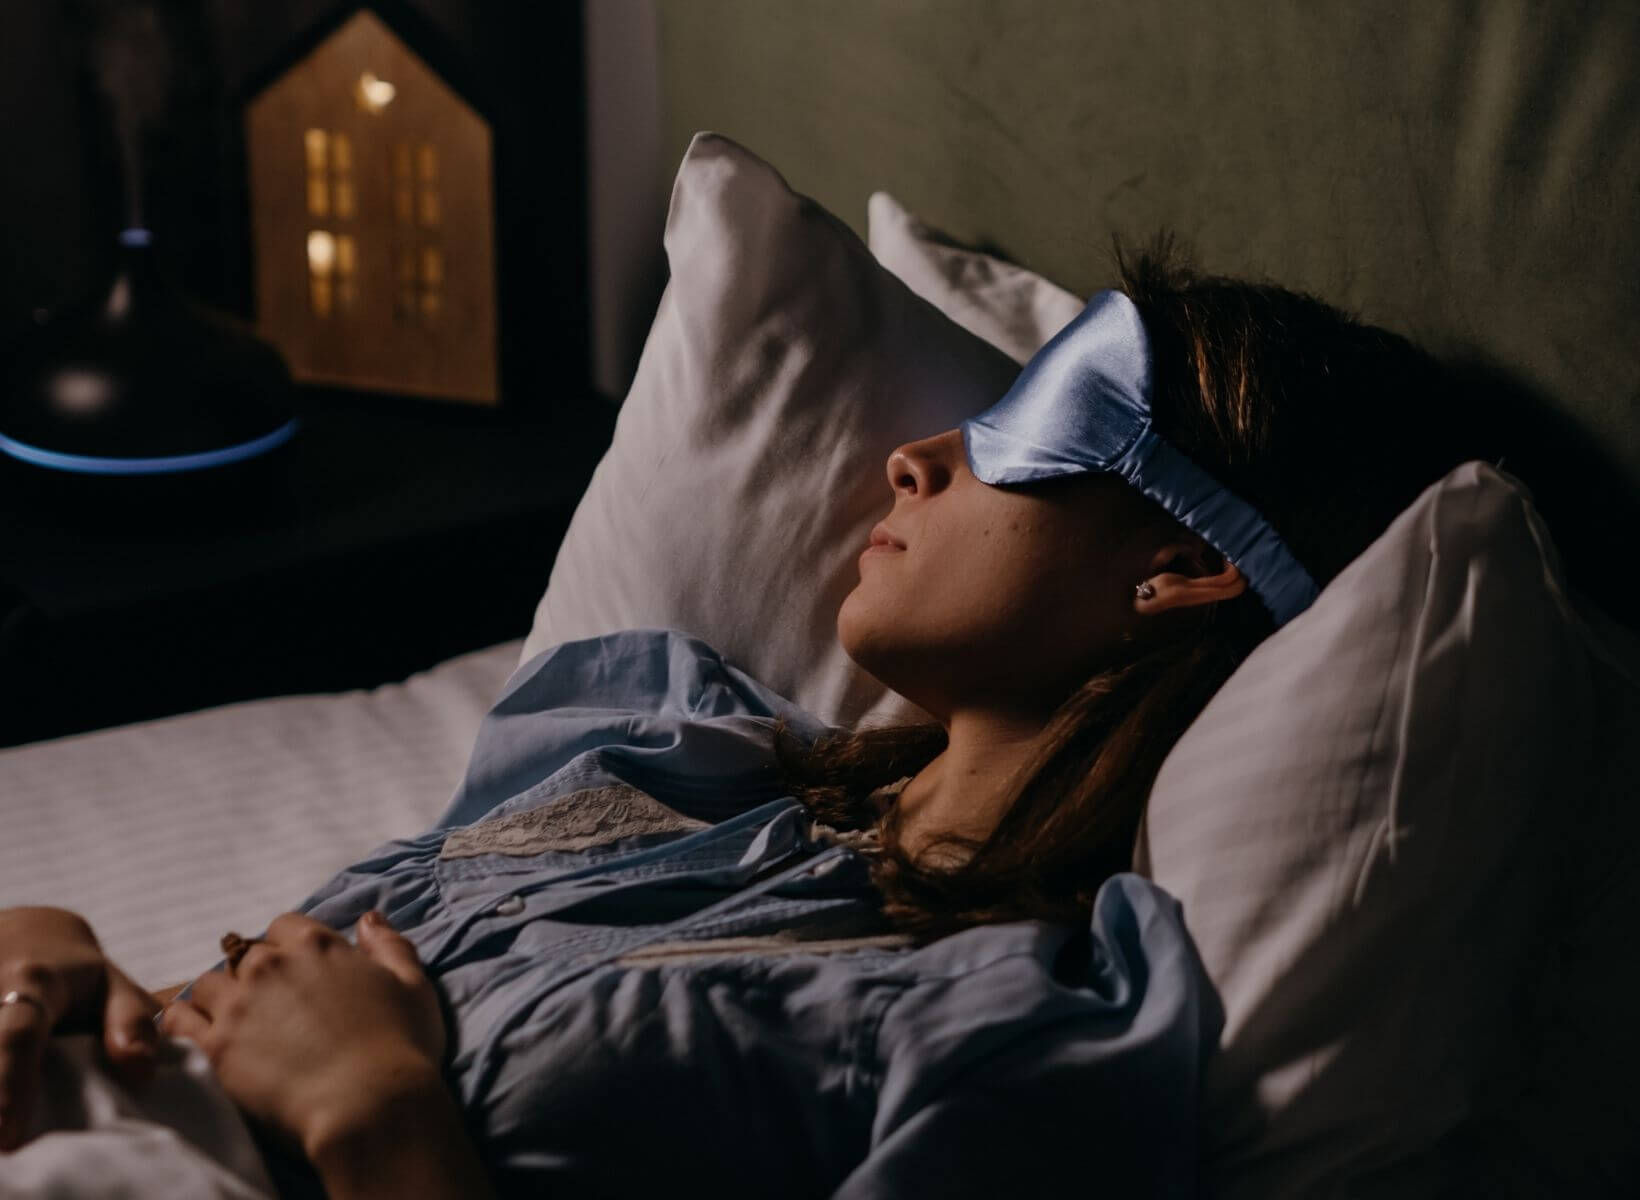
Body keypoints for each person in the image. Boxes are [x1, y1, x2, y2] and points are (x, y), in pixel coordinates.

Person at [0, 242, 1479, 1197]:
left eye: (1030, 429)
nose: (912, 459)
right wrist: (51, 956)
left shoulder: (1021, 1030)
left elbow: (347, 1070)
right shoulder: (662, 740)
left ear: (1182, 563)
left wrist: (383, 1124)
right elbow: (273, 998)